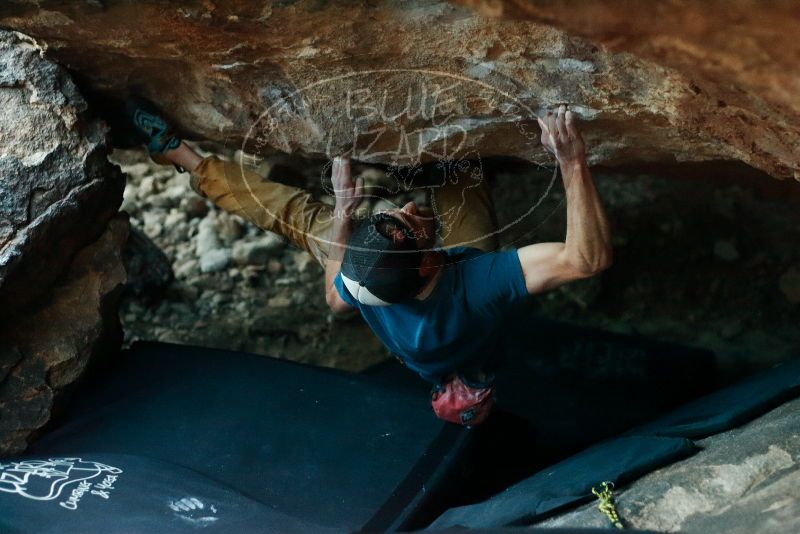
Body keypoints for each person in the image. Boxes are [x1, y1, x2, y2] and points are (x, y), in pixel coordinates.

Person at [126, 100, 612, 425]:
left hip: (398, 287)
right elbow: (585, 260)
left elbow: (335, 300)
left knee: (291, 214)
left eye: (388, 218)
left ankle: (181, 157)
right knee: (460, 182)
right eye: (404, 221)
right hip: (459, 314)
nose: (400, 208)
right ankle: (438, 168)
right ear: (429, 261)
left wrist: (342, 215)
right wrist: (571, 161)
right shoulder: (476, 283)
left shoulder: (364, 283)